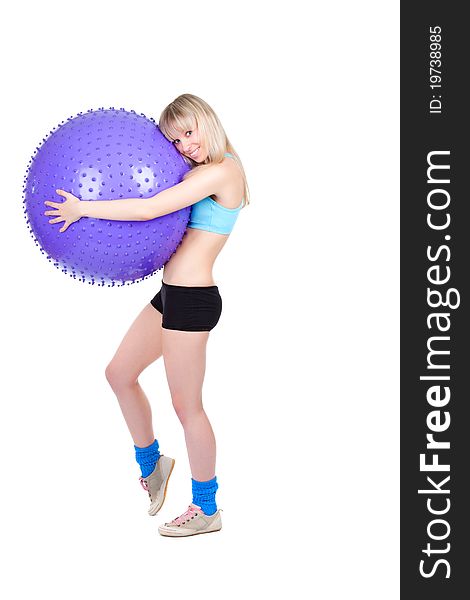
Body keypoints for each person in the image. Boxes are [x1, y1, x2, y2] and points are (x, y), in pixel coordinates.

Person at [44, 93, 249, 537]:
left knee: (187, 406)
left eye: (190, 132)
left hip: (193, 302)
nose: (185, 146)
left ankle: (207, 507)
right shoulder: (199, 169)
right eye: (175, 141)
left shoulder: (223, 171)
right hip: (170, 296)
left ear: (208, 121)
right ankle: (153, 465)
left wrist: (82, 207)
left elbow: (150, 208)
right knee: (118, 373)